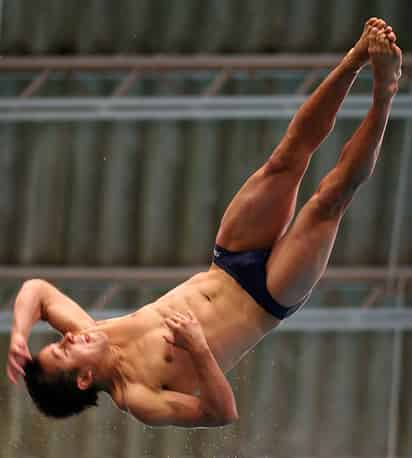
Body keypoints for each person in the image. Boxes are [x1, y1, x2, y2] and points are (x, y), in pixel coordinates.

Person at [7, 19, 402, 427]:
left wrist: (19, 333)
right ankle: (384, 94)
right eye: (64, 350)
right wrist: (197, 348)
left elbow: (37, 290)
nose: (68, 336)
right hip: (266, 298)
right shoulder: (138, 396)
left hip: (229, 262)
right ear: (85, 378)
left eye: (60, 339)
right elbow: (222, 413)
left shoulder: (94, 330)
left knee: (285, 160)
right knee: (328, 201)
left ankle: (356, 58)